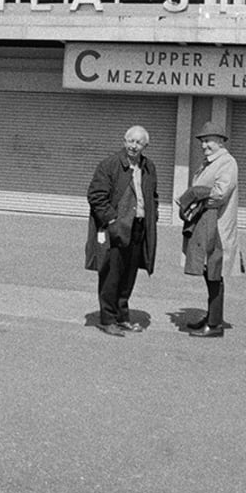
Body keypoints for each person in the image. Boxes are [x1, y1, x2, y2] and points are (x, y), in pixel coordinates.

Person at [86, 125, 158, 336]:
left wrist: (152, 218)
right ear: (124, 141)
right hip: (116, 229)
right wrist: (112, 220)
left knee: (128, 276)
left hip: (138, 228)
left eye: (138, 143)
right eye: (130, 141)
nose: (133, 146)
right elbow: (96, 196)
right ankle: (107, 319)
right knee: (111, 275)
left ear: (146, 146)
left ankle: (122, 316)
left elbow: (153, 195)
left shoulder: (148, 167)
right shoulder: (110, 165)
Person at [177, 120, 240, 338]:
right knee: (208, 272)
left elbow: (219, 194)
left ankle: (214, 325)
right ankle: (211, 317)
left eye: (209, 141)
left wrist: (194, 196)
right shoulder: (210, 163)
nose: (204, 146)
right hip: (206, 224)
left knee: (214, 273)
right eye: (202, 142)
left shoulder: (227, 162)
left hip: (217, 226)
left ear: (221, 141)